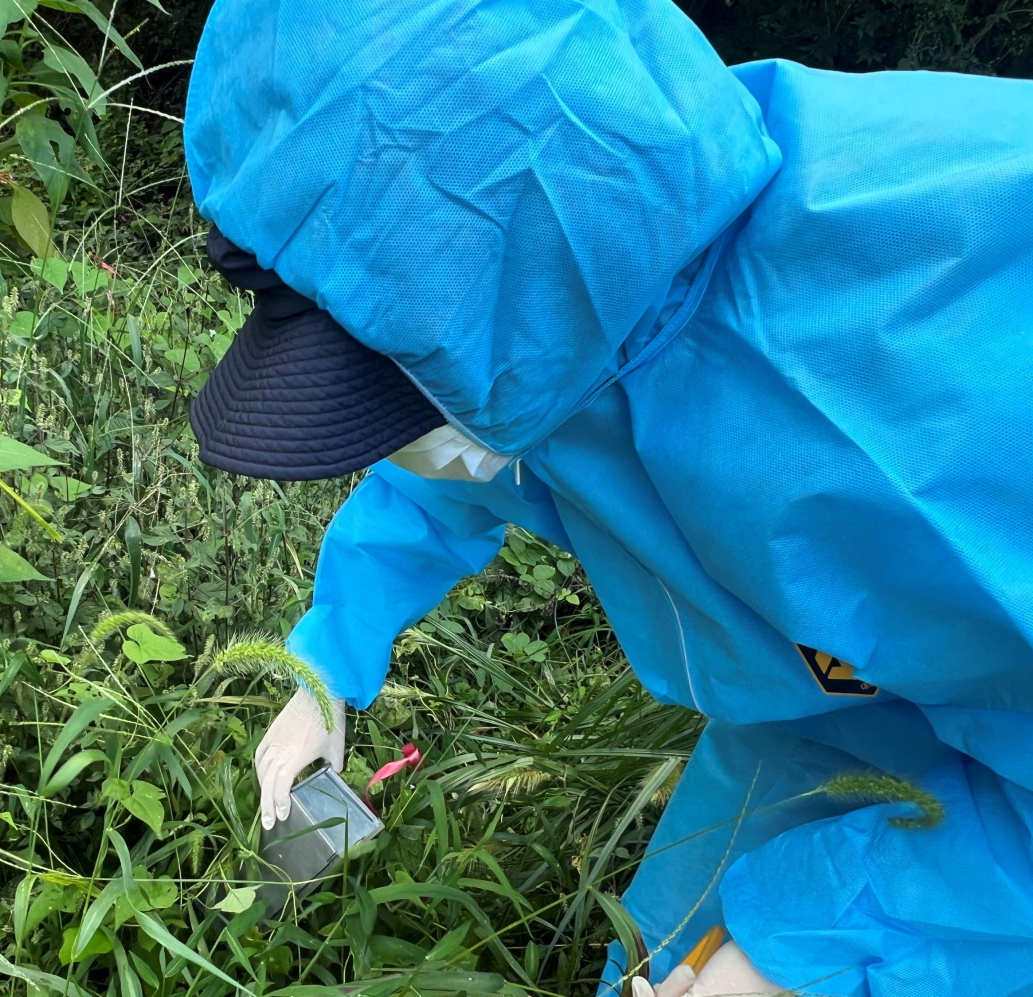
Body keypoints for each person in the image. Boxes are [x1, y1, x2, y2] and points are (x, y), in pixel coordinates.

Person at [181, 0, 1033, 990]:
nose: (411, 430)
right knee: (666, 954)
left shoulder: (924, 366)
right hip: (829, 709)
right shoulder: (571, 308)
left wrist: (821, 946)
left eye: (406, 370)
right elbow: (441, 478)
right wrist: (327, 664)